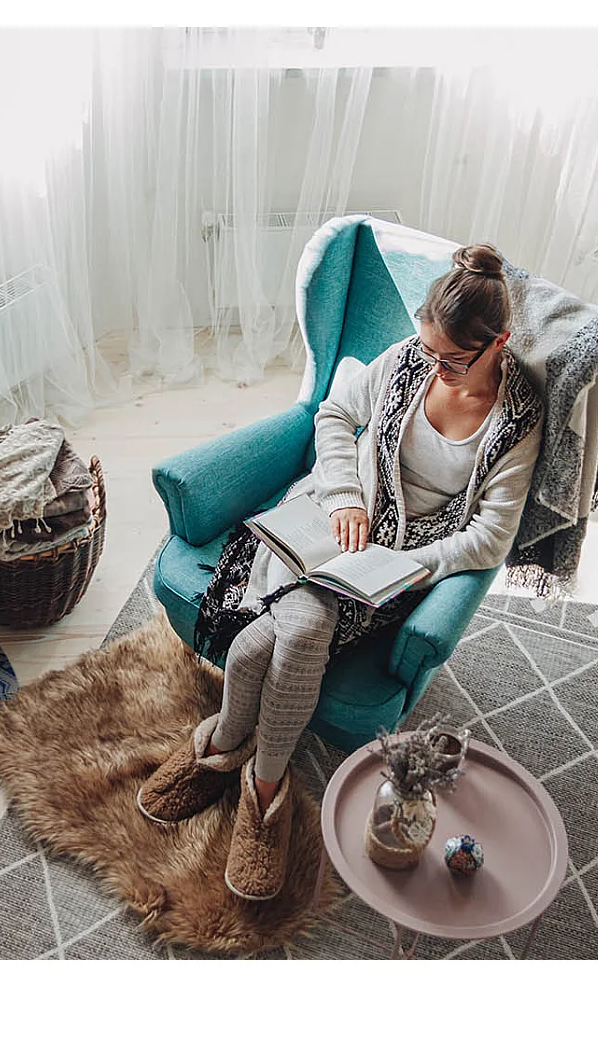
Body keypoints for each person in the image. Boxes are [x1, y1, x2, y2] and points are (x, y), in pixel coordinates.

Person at [136, 243, 545, 901]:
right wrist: (345, 497)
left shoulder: (518, 419)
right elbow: (333, 412)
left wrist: (412, 567)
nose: (432, 368)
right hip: (333, 514)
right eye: (427, 349)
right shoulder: (412, 356)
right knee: (292, 636)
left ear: (496, 343)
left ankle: (235, 765)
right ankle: (253, 780)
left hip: (402, 562)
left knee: (274, 642)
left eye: (451, 360)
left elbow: (491, 536)